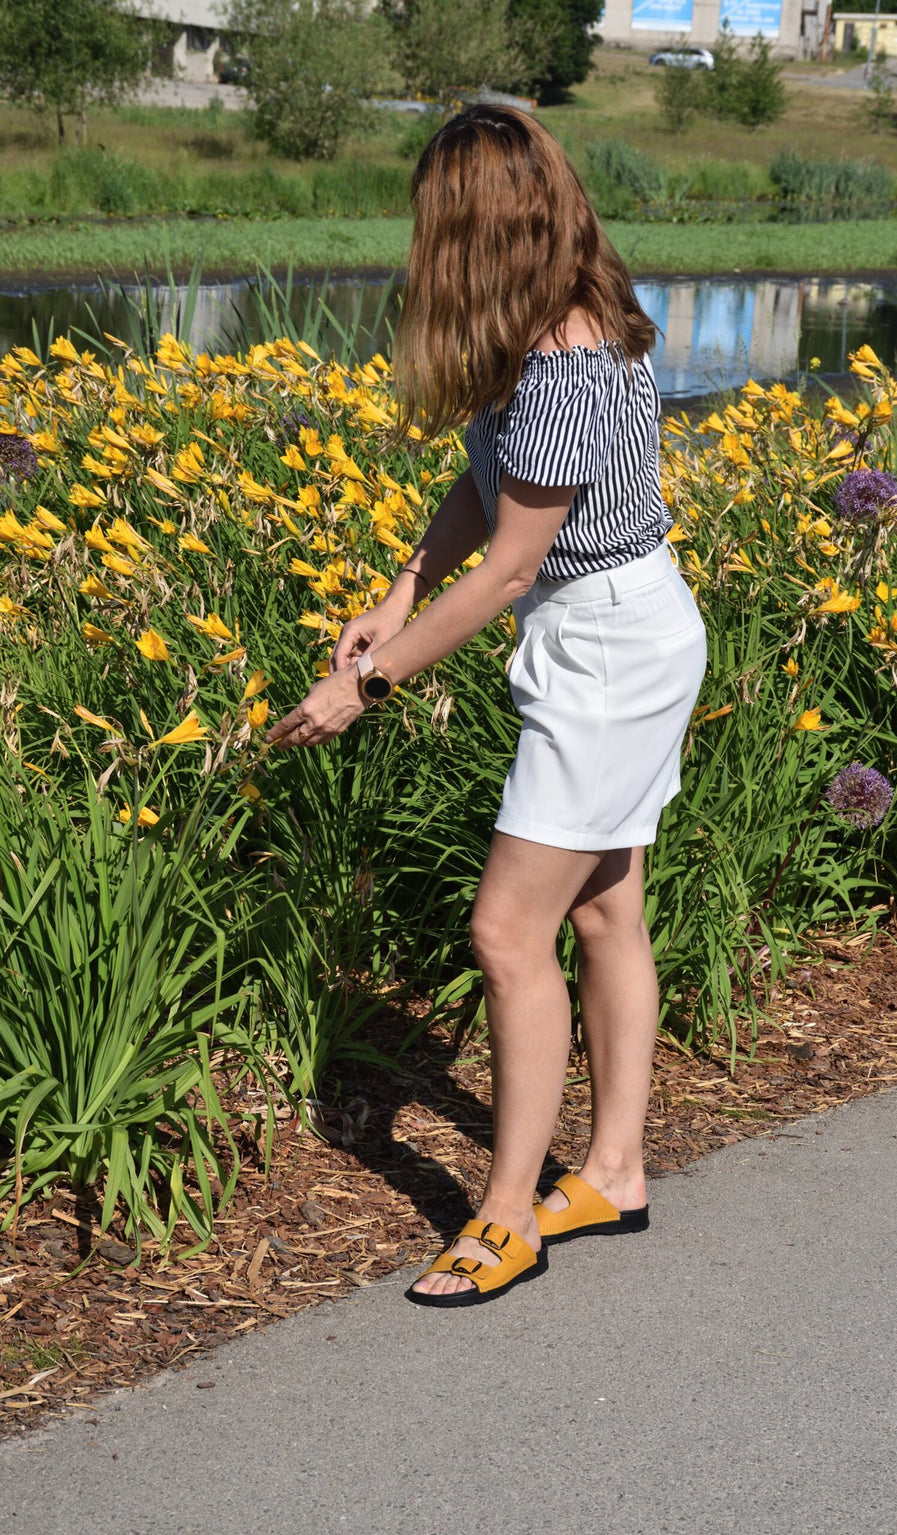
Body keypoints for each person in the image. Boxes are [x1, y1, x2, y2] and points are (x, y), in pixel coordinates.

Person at [266, 106, 707, 1308]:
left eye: (433, 223)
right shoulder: (549, 330)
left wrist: (369, 679)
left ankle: (505, 1215)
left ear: (473, 228)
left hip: (609, 648)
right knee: (608, 914)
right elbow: (491, 494)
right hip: (614, 629)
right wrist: (397, 588)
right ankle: (612, 1167)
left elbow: (513, 567)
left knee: (508, 935)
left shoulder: (566, 359)